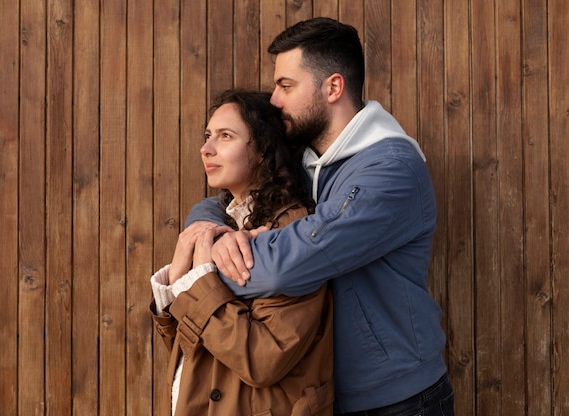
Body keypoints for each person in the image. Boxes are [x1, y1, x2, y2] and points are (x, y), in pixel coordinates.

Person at [185, 17, 455, 415]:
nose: (275, 101)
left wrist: (197, 268)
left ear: (332, 87)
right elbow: (234, 193)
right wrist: (205, 227)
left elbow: (289, 265)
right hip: (319, 395)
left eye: (286, 86)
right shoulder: (305, 159)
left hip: (396, 399)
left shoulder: (391, 170)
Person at [150, 89, 334, 415]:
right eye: (208, 136)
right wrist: (178, 278)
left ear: (263, 150)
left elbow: (263, 360)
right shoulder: (225, 221)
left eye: (225, 136)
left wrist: (194, 282)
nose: (206, 149)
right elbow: (192, 349)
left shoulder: (290, 232)